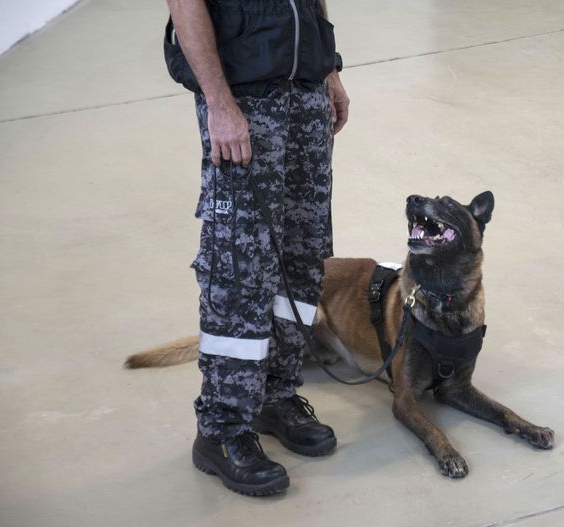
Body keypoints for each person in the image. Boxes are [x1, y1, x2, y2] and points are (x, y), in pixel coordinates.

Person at [164, 0, 349, 497]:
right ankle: (222, 428)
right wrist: (219, 104)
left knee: (301, 260)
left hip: (305, 93)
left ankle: (276, 393)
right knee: (239, 270)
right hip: (245, 102)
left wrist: (328, 68)